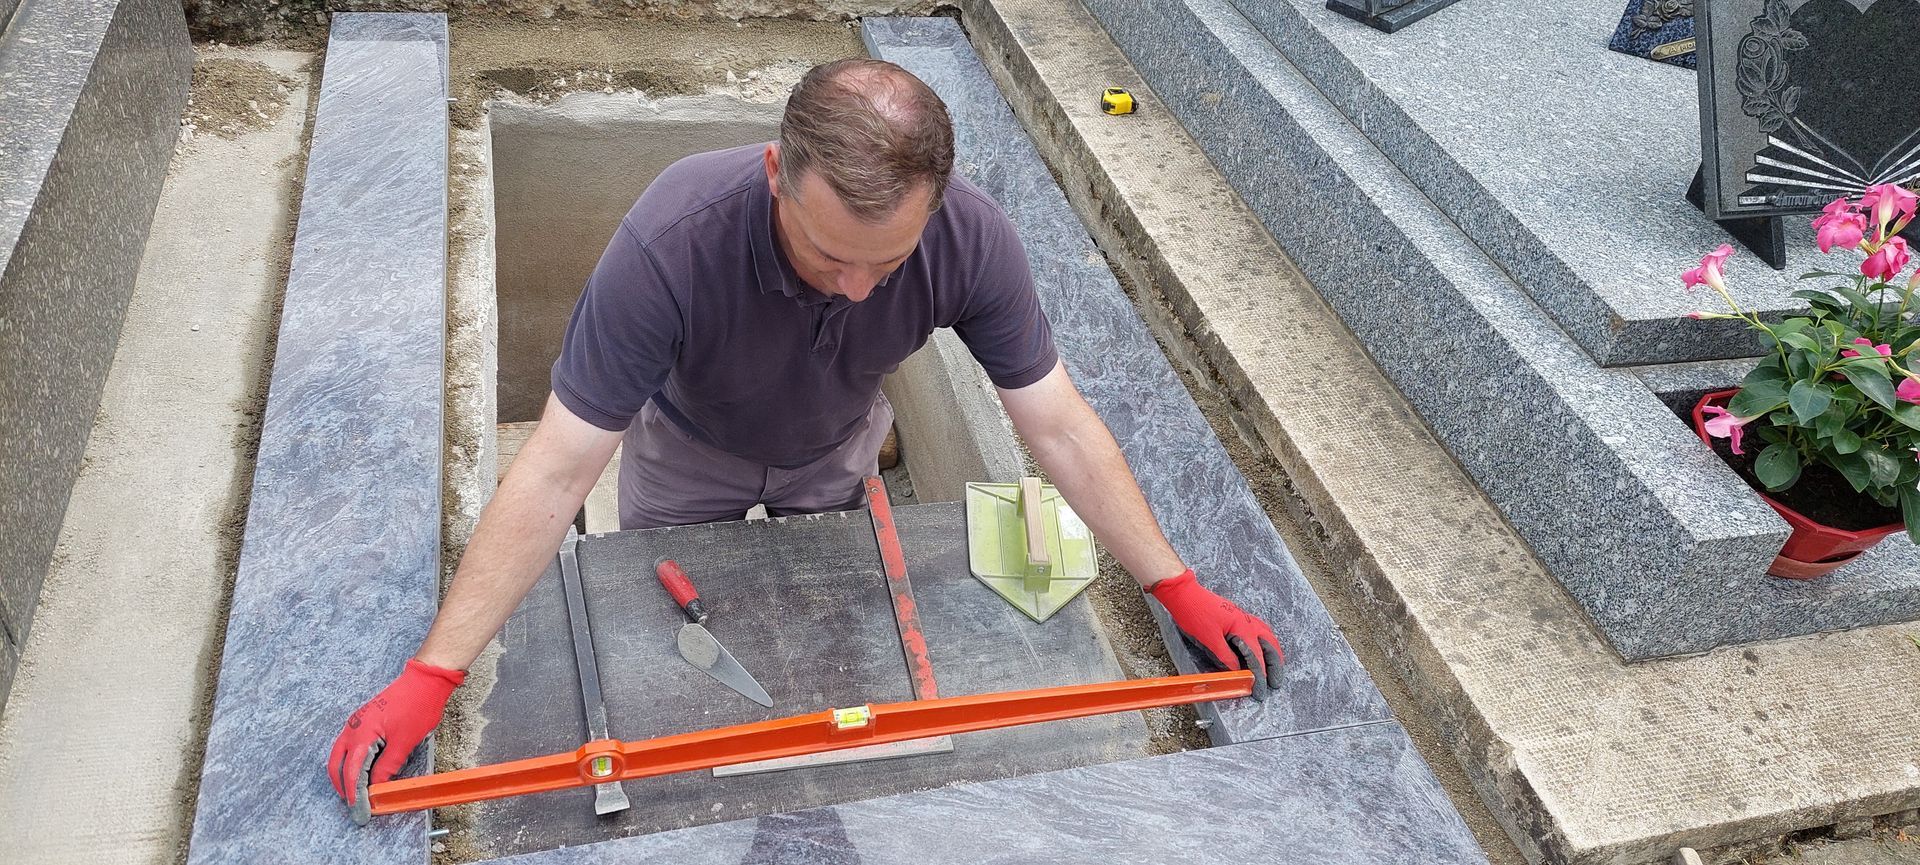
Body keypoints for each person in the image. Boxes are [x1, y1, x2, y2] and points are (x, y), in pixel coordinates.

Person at [327, 58, 1282, 806]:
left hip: (836, 445)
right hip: (687, 451)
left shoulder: (971, 240)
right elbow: (555, 471)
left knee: (822, 610)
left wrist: (1175, 584)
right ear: (777, 171)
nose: (859, 287)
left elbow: (1060, 426)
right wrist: (432, 672)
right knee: (663, 625)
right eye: (829, 254)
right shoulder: (673, 244)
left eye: (888, 262)